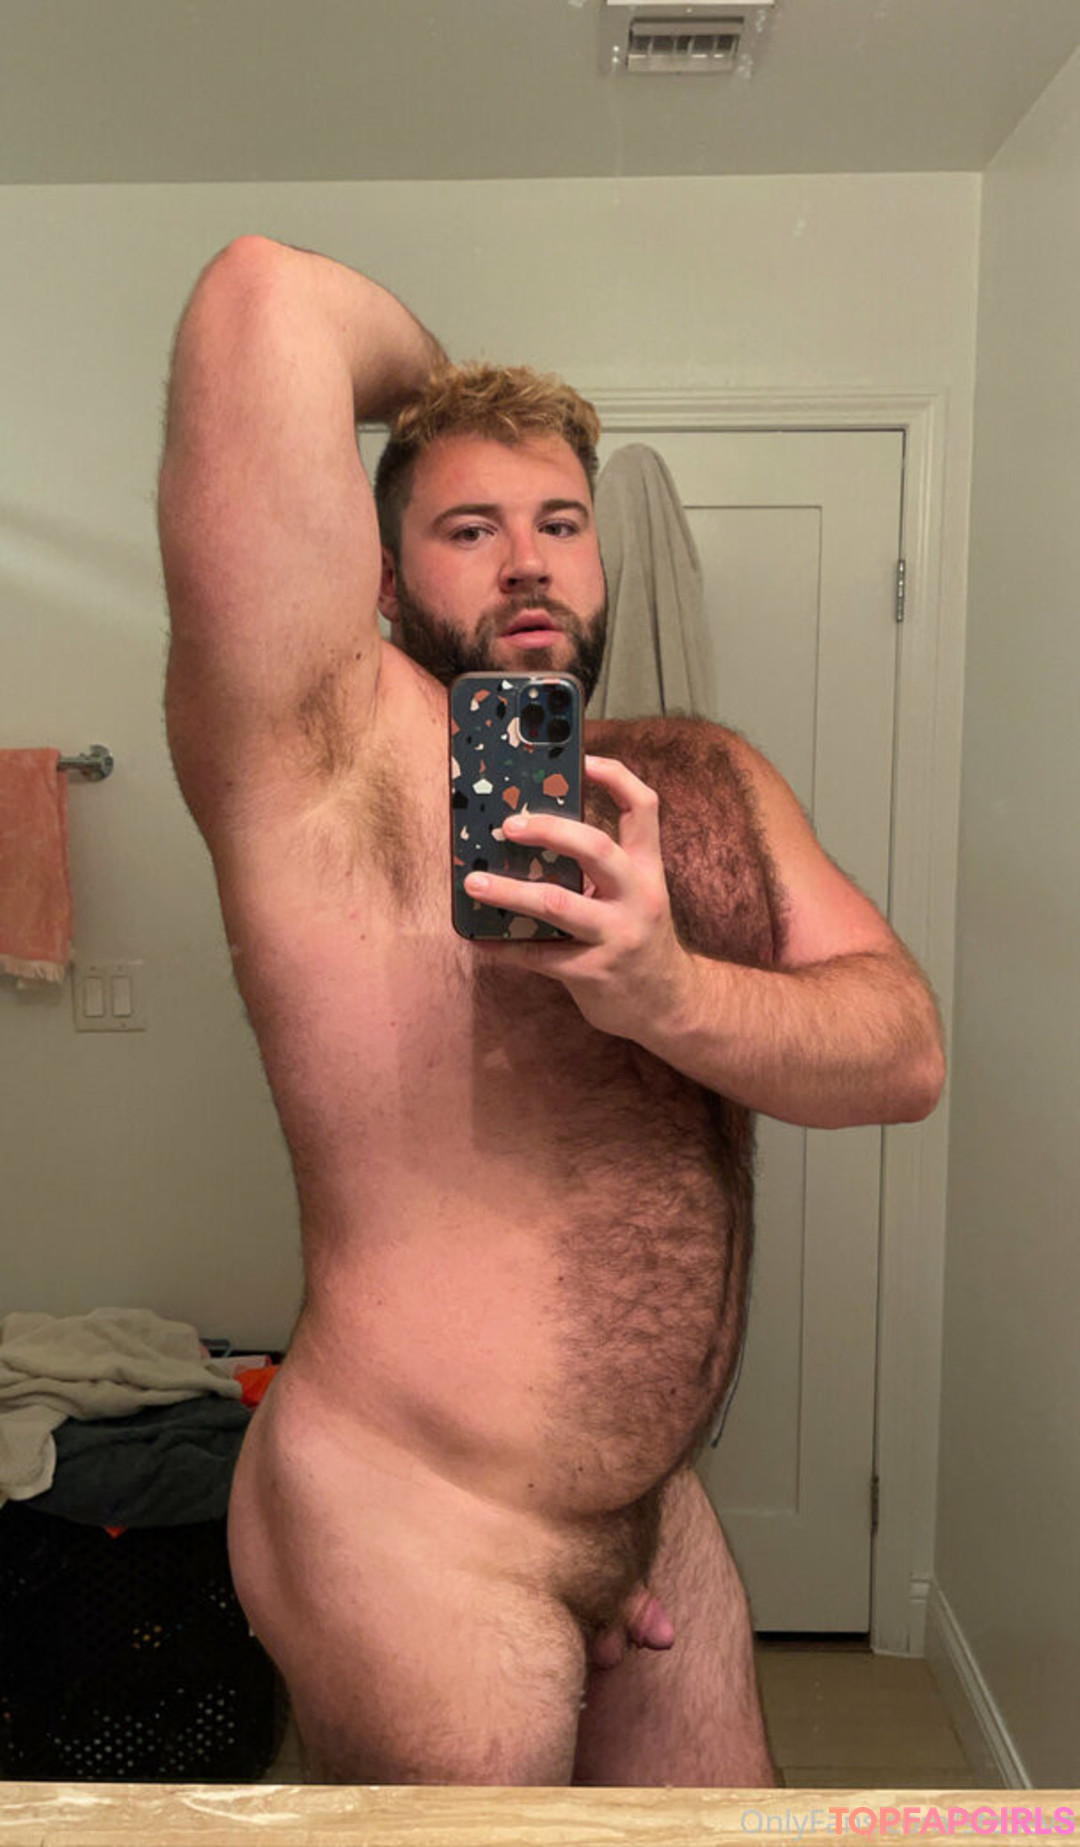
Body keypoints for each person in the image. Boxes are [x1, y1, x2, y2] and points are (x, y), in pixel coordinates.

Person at [158, 235, 945, 1788]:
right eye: (470, 526)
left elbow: (902, 1052)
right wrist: (449, 391)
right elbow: (262, 294)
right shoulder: (322, 746)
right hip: (416, 1526)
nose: (527, 561)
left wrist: (669, 991)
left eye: (560, 523)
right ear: (383, 577)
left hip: (655, 1518)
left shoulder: (700, 776)